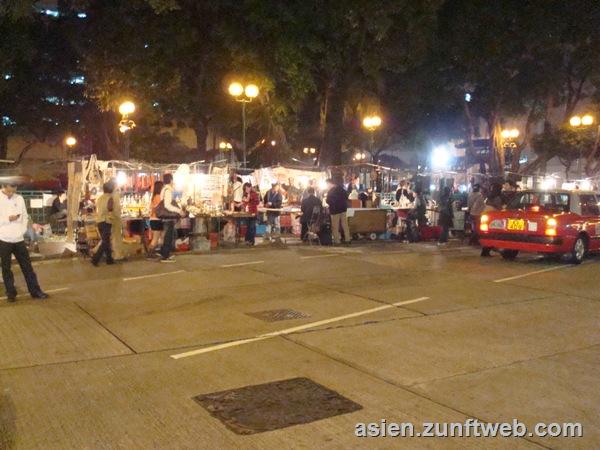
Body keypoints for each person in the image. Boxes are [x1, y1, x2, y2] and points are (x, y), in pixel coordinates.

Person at [0, 182, 48, 301]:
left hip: (19, 239)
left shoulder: (19, 198)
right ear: (3, 187)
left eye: (14, 190)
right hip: (4, 238)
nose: (12, 193)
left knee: (27, 267)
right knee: (6, 268)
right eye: (10, 191)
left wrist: (21, 231)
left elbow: (25, 216)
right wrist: (7, 219)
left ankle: (35, 291)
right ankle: (11, 293)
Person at [159, 173, 184, 262]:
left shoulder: (164, 189)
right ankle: (165, 256)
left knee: (167, 236)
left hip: (166, 217)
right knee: (168, 236)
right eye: (173, 180)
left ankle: (164, 253)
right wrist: (179, 211)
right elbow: (167, 205)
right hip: (168, 217)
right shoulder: (168, 191)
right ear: (171, 180)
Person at [91, 181, 116, 266]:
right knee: (105, 242)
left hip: (99, 221)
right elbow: (110, 208)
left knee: (106, 241)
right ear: (111, 189)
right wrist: (112, 210)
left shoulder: (100, 198)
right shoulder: (110, 197)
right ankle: (95, 259)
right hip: (106, 221)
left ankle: (109, 259)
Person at [480, 183, 503, 256]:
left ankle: (485, 251)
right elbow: (499, 208)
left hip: (486, 216)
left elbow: (485, 204)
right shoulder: (498, 198)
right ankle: (487, 250)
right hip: (493, 217)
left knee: (488, 234)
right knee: (493, 234)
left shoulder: (489, 196)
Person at [326, 178, 350, 245]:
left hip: (335, 210)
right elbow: (346, 197)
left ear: (331, 183)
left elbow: (328, 201)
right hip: (343, 209)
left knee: (335, 226)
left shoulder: (331, 191)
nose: (327, 186)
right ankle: (347, 239)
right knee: (345, 225)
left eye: (328, 184)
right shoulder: (342, 189)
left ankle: (337, 240)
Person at [148, 181, 164, 255]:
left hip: (153, 219)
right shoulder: (158, 197)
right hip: (157, 219)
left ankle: (156, 252)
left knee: (158, 237)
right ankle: (150, 254)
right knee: (155, 239)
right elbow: (159, 208)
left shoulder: (154, 197)